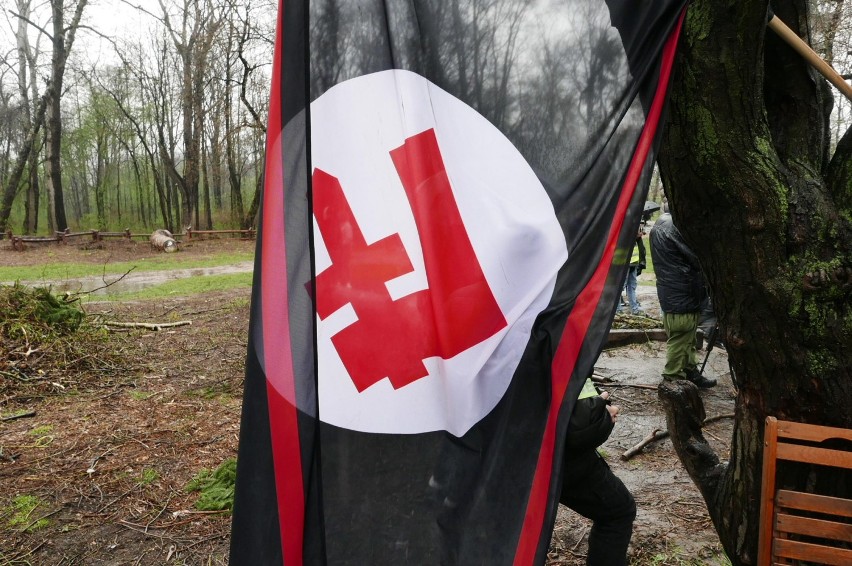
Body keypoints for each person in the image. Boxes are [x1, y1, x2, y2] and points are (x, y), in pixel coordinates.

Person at [559, 379, 636, 566]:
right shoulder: (550, 349)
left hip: (496, 455)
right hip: (555, 458)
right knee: (617, 510)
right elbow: (580, 429)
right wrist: (602, 415)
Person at [649, 209, 716, 388]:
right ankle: (673, 378)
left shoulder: (661, 224)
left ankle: (690, 370)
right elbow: (698, 258)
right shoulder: (675, 227)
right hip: (682, 293)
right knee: (680, 337)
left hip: (674, 292)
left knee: (688, 338)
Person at [619, 226, 646, 315]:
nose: (641, 232)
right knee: (621, 287)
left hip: (633, 263)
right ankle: (618, 310)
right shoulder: (626, 225)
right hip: (625, 262)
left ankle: (635, 309)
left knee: (632, 287)